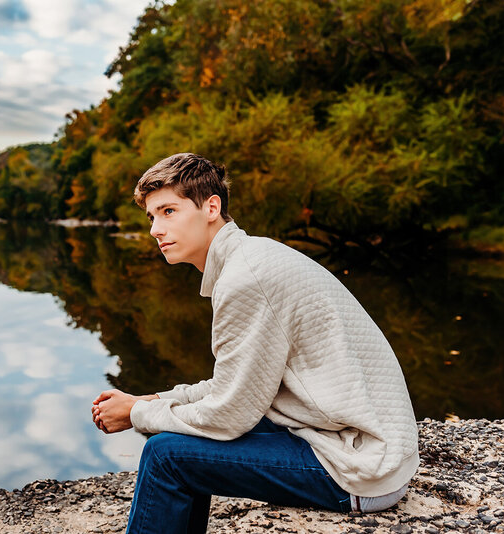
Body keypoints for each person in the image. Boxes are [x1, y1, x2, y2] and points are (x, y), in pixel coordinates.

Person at [91, 153, 419, 534]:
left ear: (211, 207)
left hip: (358, 468)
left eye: (168, 211)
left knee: (166, 455)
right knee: (177, 433)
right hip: (357, 445)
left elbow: (229, 415)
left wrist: (135, 416)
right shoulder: (252, 258)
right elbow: (235, 389)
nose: (155, 229)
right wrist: (150, 401)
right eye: (152, 217)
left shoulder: (246, 279)